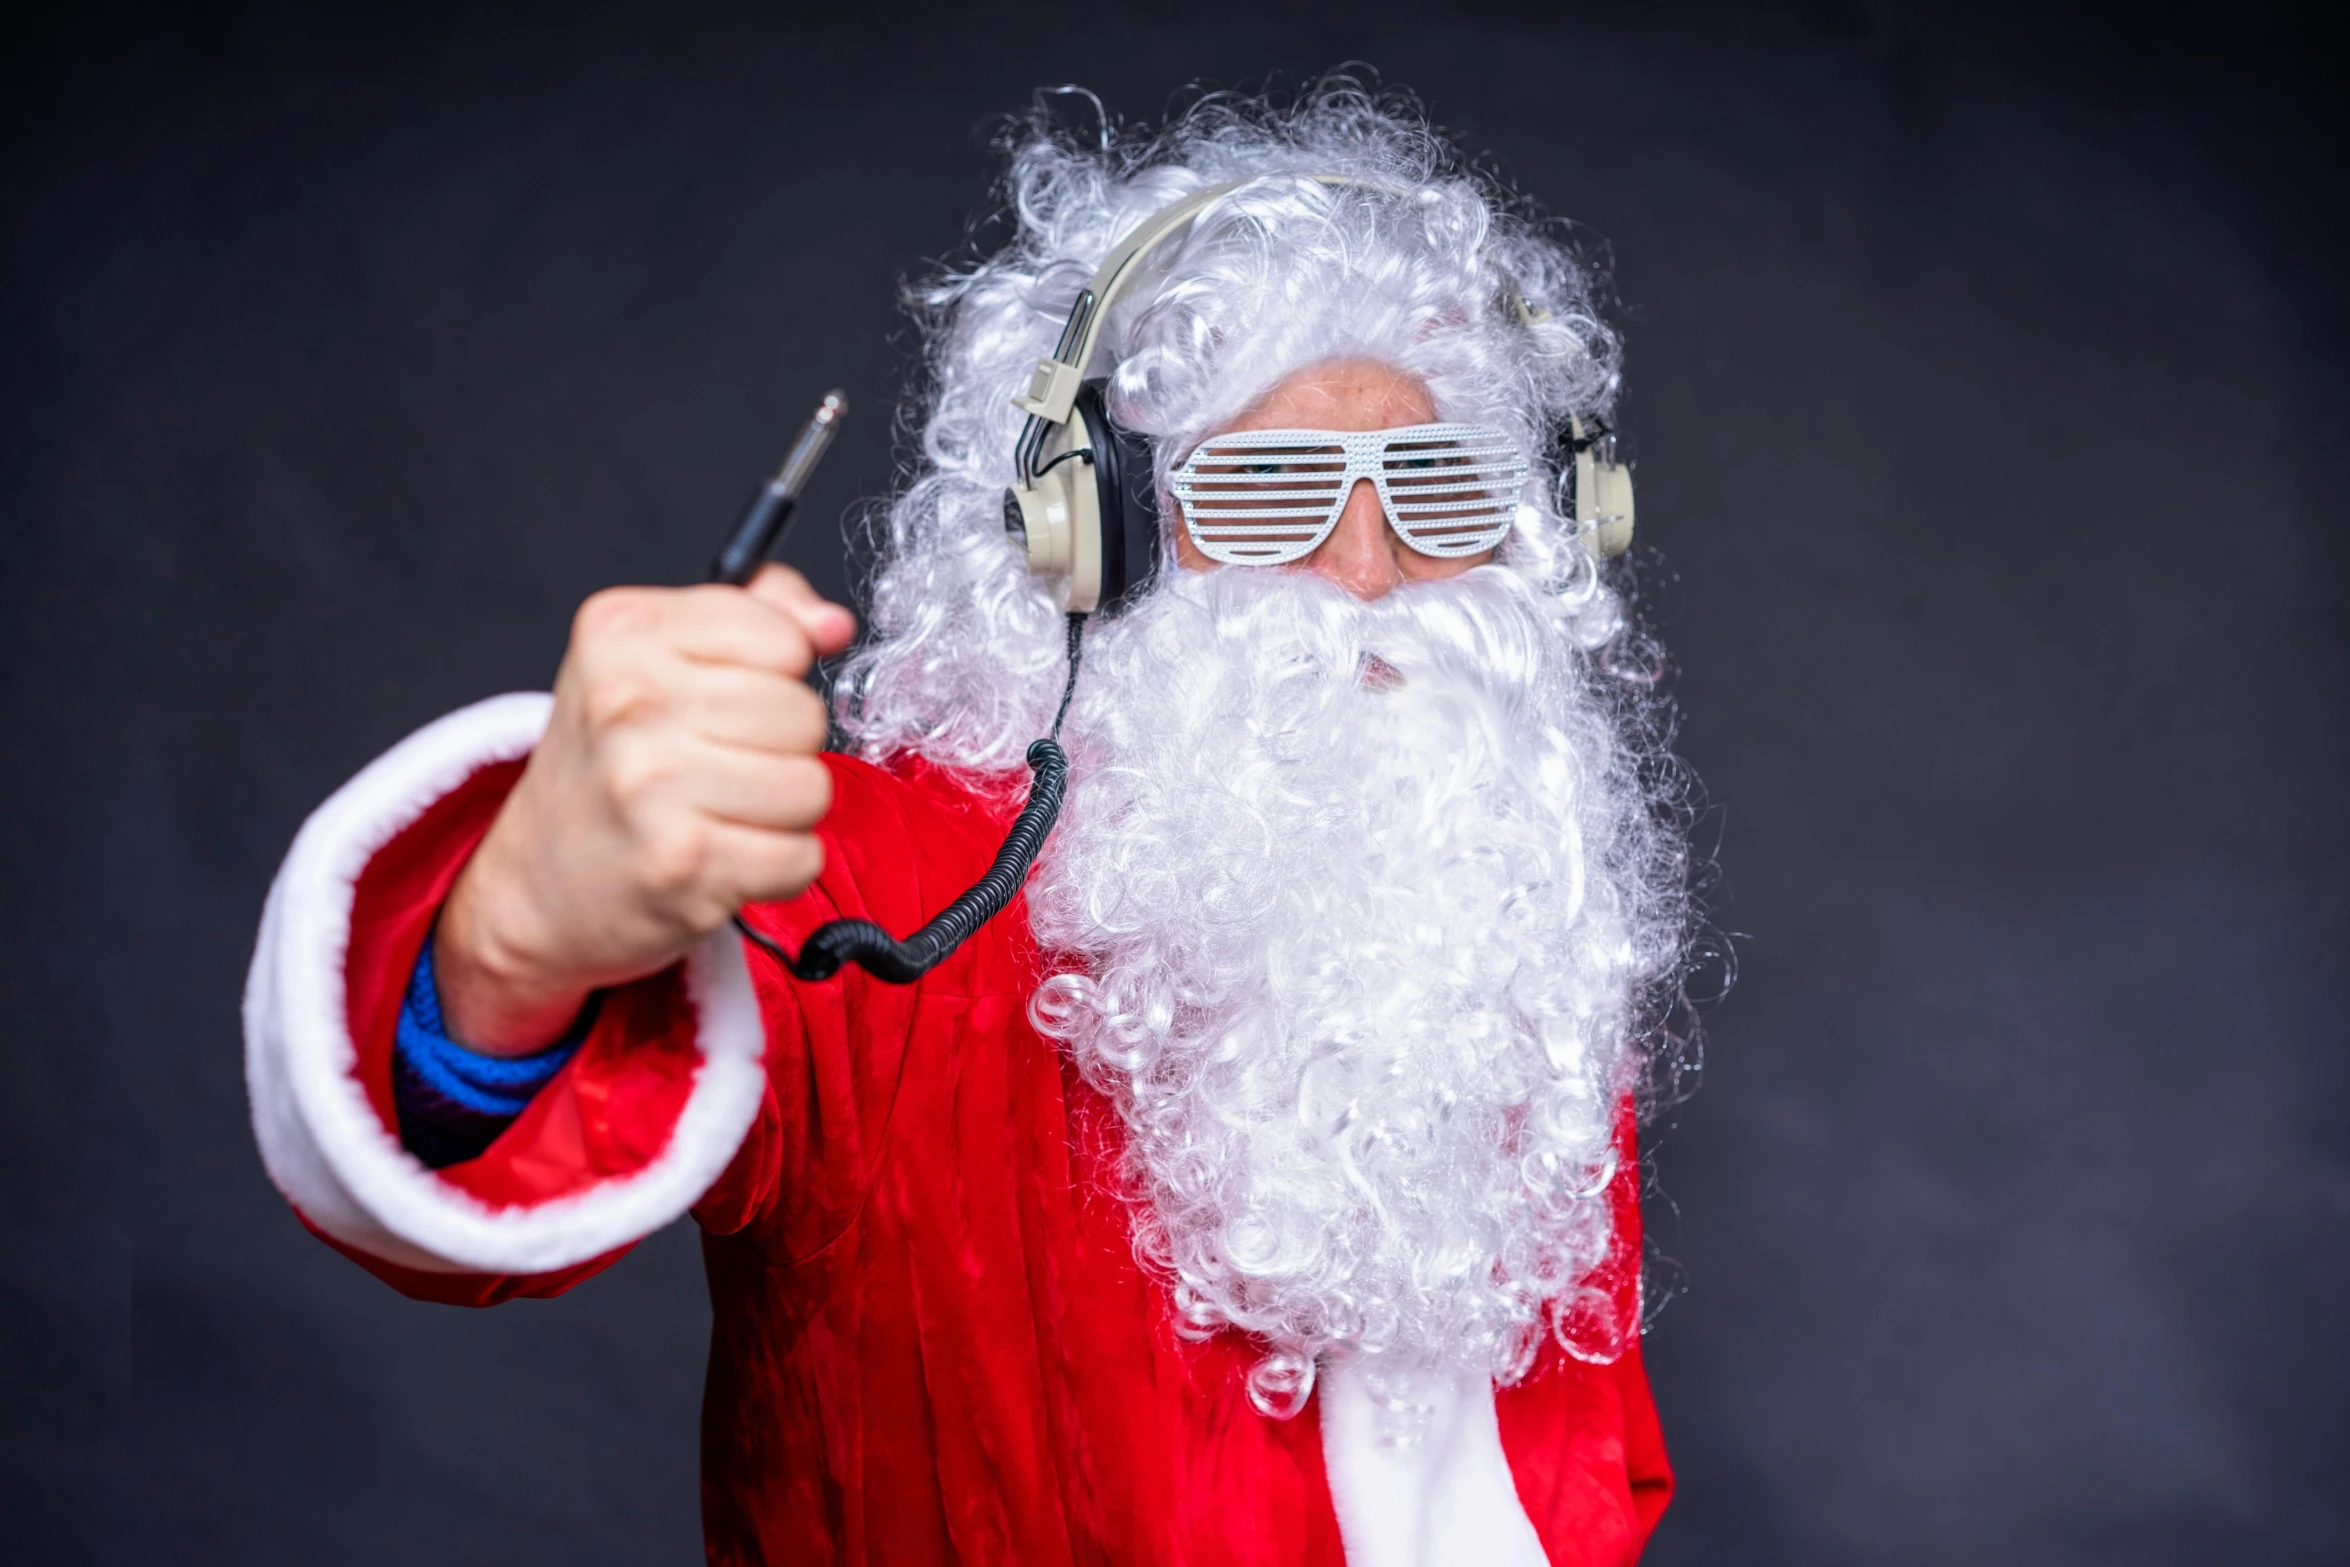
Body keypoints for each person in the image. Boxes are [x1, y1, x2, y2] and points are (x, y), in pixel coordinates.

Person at [243, 84, 1696, 1566]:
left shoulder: (1501, 918)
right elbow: (461, 1173)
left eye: (1439, 488)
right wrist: (512, 943)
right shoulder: (876, 889)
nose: (1371, 568)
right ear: (1088, 533)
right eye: (1269, 489)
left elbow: (1580, 1467)